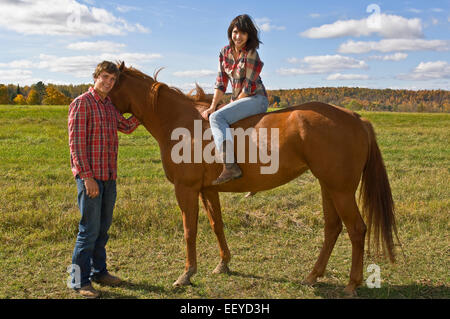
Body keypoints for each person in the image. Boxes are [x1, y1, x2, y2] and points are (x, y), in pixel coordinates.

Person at [68, 61, 140, 298]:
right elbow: (76, 145)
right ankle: (78, 281)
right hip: (91, 178)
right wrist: (87, 178)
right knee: (88, 230)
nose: (109, 83)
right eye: (105, 77)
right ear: (96, 76)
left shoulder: (109, 106)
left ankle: (99, 272)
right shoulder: (82, 103)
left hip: (109, 177)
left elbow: (127, 126)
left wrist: (145, 112)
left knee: (103, 229)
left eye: (112, 80)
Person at [201, 14, 269, 185]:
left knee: (217, 118)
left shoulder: (252, 53)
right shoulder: (224, 52)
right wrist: (212, 106)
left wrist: (230, 104)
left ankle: (230, 166)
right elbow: (221, 83)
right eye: (235, 32)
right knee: (214, 113)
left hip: (256, 98)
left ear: (249, 36)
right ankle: (249, 170)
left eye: (243, 33)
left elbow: (248, 87)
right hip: (239, 98)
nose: (238, 36)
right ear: (231, 32)